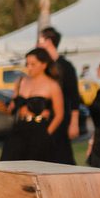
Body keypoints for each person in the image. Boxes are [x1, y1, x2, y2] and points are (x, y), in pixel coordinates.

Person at [0, 47, 65, 162]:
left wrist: (46, 134)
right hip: (19, 130)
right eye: (27, 64)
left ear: (44, 65)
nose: (29, 67)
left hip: (39, 130)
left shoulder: (52, 85)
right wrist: (4, 109)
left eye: (33, 64)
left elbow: (59, 115)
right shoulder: (21, 82)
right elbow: (12, 109)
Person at [38, 26, 81, 164]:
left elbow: (74, 95)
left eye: (39, 40)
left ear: (49, 41)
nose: (37, 44)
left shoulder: (65, 66)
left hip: (62, 117)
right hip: (45, 118)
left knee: (61, 155)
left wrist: (74, 122)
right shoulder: (43, 66)